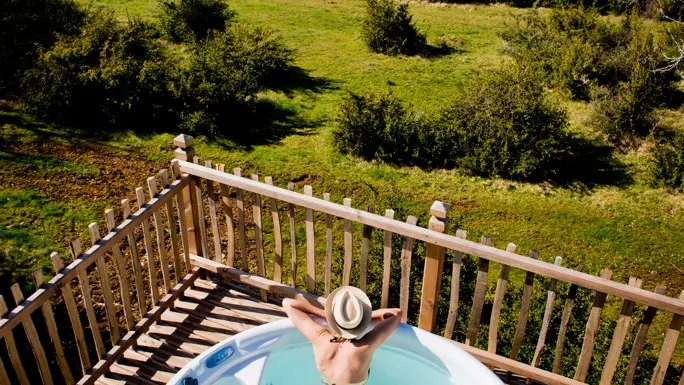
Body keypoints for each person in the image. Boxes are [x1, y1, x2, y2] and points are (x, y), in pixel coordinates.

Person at [282, 286, 402, 385]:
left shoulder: (319, 338)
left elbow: (287, 303)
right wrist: (362, 319)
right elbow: (396, 314)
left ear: (333, 318)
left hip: (327, 381)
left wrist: (324, 314)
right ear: (361, 321)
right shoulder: (364, 347)